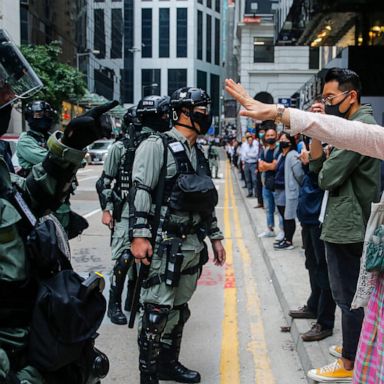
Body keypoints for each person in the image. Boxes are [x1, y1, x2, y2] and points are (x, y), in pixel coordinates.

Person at [225, 71, 382, 383]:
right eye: (323, 99)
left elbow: (324, 176)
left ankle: (350, 360)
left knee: (348, 295)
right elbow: (318, 165)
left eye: (331, 99)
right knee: (349, 293)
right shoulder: (351, 129)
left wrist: (279, 114)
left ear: (352, 96)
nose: (326, 105)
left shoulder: (362, 128)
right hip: (342, 220)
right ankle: (356, 348)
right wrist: (312, 132)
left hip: (348, 225)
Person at [0, 29, 117, 383]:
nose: (7, 99)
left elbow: (25, 201)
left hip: (34, 335)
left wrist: (70, 146)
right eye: (1, 91)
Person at [130, 87, 226, 384]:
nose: (205, 114)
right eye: (200, 109)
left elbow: (205, 200)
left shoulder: (198, 152)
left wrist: (216, 237)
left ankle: (168, 365)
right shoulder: (155, 145)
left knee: (178, 310)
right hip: (162, 245)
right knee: (157, 311)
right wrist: (139, 235)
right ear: (183, 112)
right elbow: (140, 191)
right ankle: (148, 374)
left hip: (191, 246)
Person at [96, 96, 171, 325]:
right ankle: (114, 304)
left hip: (150, 209)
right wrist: (108, 209)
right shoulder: (120, 148)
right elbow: (105, 182)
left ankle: (133, 298)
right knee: (124, 257)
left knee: (145, 258)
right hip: (125, 209)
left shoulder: (159, 145)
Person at [290, 147, 336, 342]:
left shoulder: (332, 145)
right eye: (313, 112)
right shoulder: (308, 145)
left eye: (320, 112)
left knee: (324, 270)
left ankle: (325, 322)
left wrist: (314, 161)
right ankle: (313, 305)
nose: (316, 114)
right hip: (307, 216)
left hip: (321, 218)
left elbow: (326, 179)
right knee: (312, 265)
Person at [16, 101, 72, 233]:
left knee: (61, 240)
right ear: (30, 116)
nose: (44, 117)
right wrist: (68, 157)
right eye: (39, 114)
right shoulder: (26, 140)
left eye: (47, 114)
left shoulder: (53, 138)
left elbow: (73, 156)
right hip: (36, 200)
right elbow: (53, 159)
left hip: (58, 198)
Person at [273, 132, 304, 250]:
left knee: (289, 217)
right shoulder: (281, 155)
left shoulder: (293, 155)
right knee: (283, 215)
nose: (282, 141)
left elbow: (299, 175)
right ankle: (285, 238)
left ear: (290, 141)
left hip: (289, 191)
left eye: (285, 139)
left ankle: (289, 241)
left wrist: (295, 187)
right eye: (280, 139)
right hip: (280, 190)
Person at [257, 128, 280, 238]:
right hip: (266, 184)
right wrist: (269, 165)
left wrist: (267, 165)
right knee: (268, 208)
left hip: (278, 184)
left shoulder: (279, 150)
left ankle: (283, 231)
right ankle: (270, 229)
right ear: (265, 138)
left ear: (276, 136)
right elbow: (260, 167)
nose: (270, 137)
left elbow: (275, 166)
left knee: (280, 209)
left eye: (272, 135)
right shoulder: (265, 150)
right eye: (268, 135)